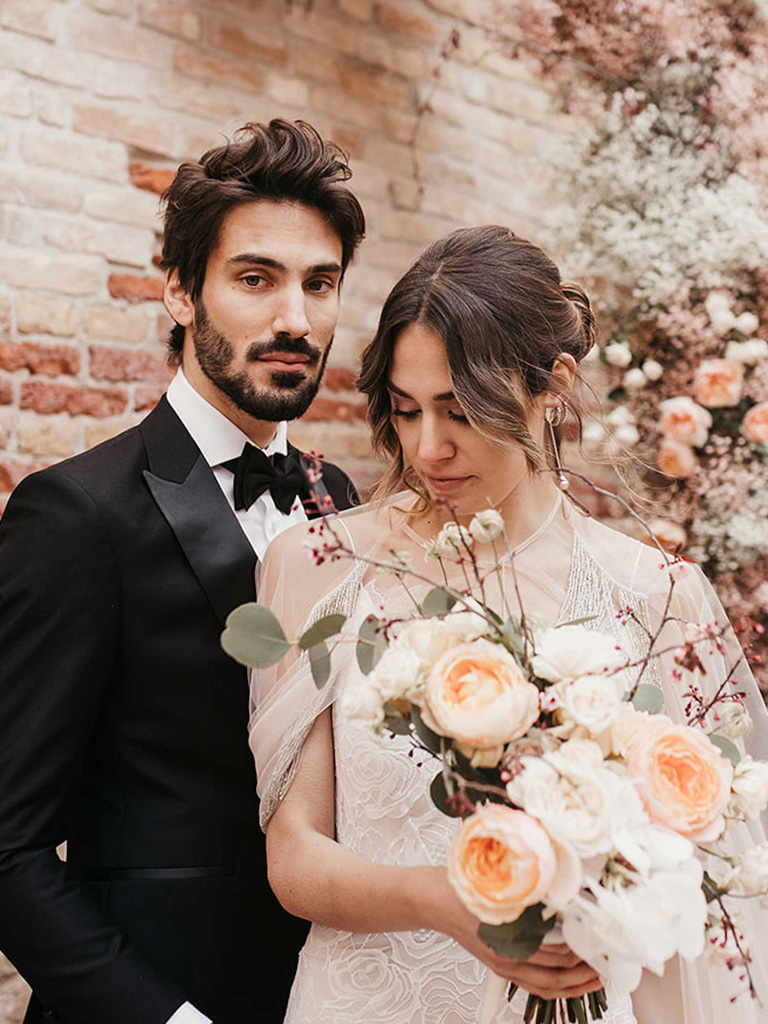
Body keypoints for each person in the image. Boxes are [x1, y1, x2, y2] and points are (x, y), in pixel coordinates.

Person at [249, 225, 768, 1023]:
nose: (428, 447)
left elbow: (717, 873)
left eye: (460, 410)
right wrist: (447, 900)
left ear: (551, 385)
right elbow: (293, 858)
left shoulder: (662, 597)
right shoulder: (320, 563)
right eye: (406, 409)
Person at [0, 119, 364, 1024]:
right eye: (255, 279)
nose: (295, 319)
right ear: (179, 291)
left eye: (320, 284)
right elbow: (5, 847)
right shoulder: (76, 514)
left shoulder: (340, 493)